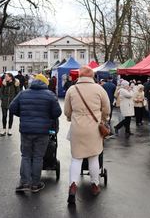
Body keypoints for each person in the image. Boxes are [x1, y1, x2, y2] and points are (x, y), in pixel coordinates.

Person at [64, 66, 110, 203]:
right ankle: (95, 184)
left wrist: (71, 118)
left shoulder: (72, 90)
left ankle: (73, 185)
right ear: (92, 76)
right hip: (94, 128)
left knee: (76, 158)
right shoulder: (99, 89)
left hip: (77, 128)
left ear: (79, 75)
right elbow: (106, 108)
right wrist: (103, 119)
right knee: (93, 157)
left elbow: (67, 111)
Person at [9, 74, 61, 193]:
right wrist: (48, 117)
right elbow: (57, 113)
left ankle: (25, 183)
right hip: (42, 131)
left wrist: (23, 115)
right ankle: (35, 184)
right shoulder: (50, 95)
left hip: (26, 130)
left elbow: (12, 108)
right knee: (38, 157)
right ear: (45, 84)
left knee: (26, 156)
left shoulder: (23, 93)